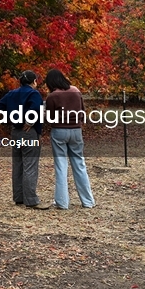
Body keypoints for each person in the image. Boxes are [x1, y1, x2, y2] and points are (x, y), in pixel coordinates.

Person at [44, 69, 95, 210]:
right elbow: (82, 110)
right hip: (76, 130)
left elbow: (49, 118)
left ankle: (62, 202)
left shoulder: (52, 96)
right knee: (79, 164)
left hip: (59, 131)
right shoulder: (76, 91)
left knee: (61, 166)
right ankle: (88, 201)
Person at [0, 70, 47, 209]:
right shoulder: (33, 94)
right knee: (30, 165)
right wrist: (30, 123)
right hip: (29, 132)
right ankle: (31, 199)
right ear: (34, 81)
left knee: (18, 164)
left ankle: (19, 197)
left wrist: (10, 119)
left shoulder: (12, 93)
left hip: (15, 132)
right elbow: (36, 109)